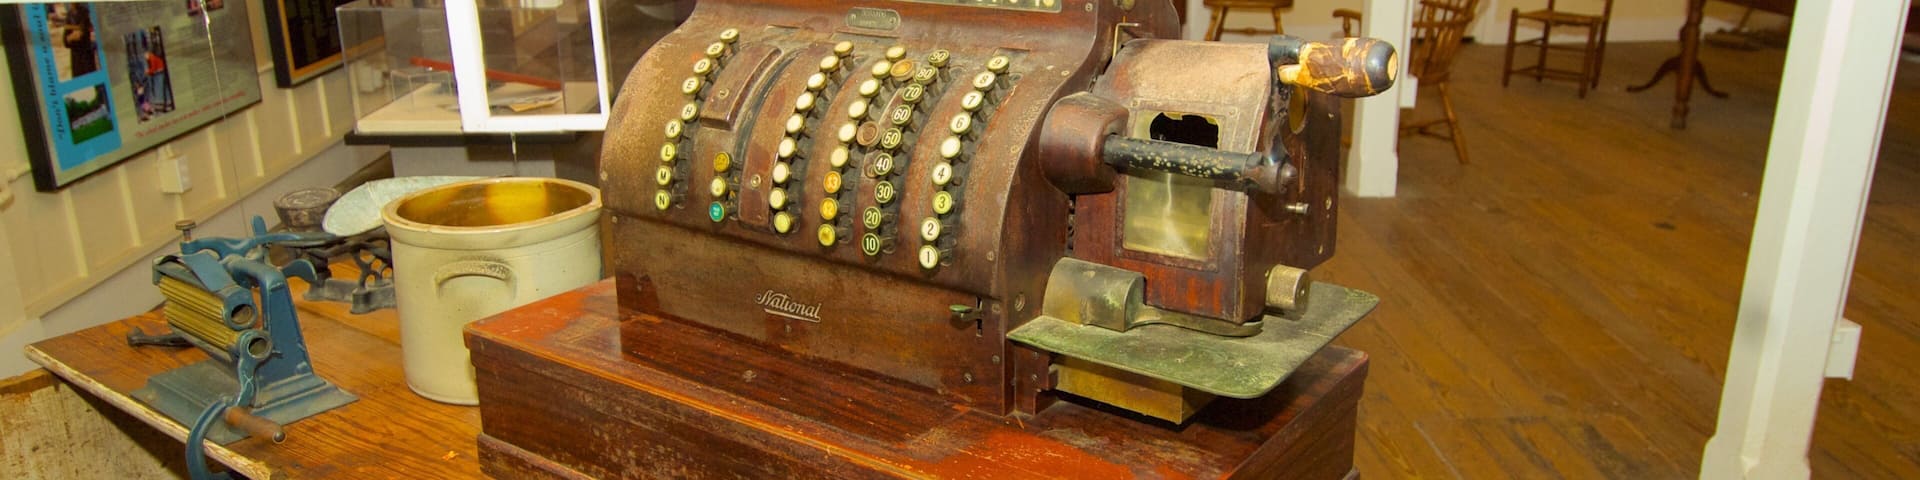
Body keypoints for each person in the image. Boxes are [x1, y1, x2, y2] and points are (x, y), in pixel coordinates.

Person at [61, 5, 96, 76]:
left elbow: (84, 31)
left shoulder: (85, 12)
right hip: (76, 59)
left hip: (87, 56)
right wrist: (70, 38)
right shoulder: (70, 14)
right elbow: (65, 40)